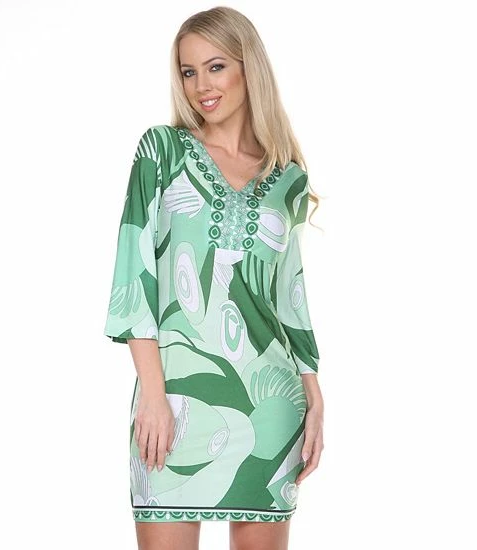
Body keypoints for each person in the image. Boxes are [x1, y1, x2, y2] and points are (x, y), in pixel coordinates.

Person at [103, 6, 324, 550]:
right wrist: (153, 397)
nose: (202, 85)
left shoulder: (287, 178)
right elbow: (134, 273)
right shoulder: (161, 151)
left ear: (250, 68)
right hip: (172, 403)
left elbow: (289, 296)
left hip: (272, 408)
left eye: (216, 66)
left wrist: (313, 395)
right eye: (188, 71)